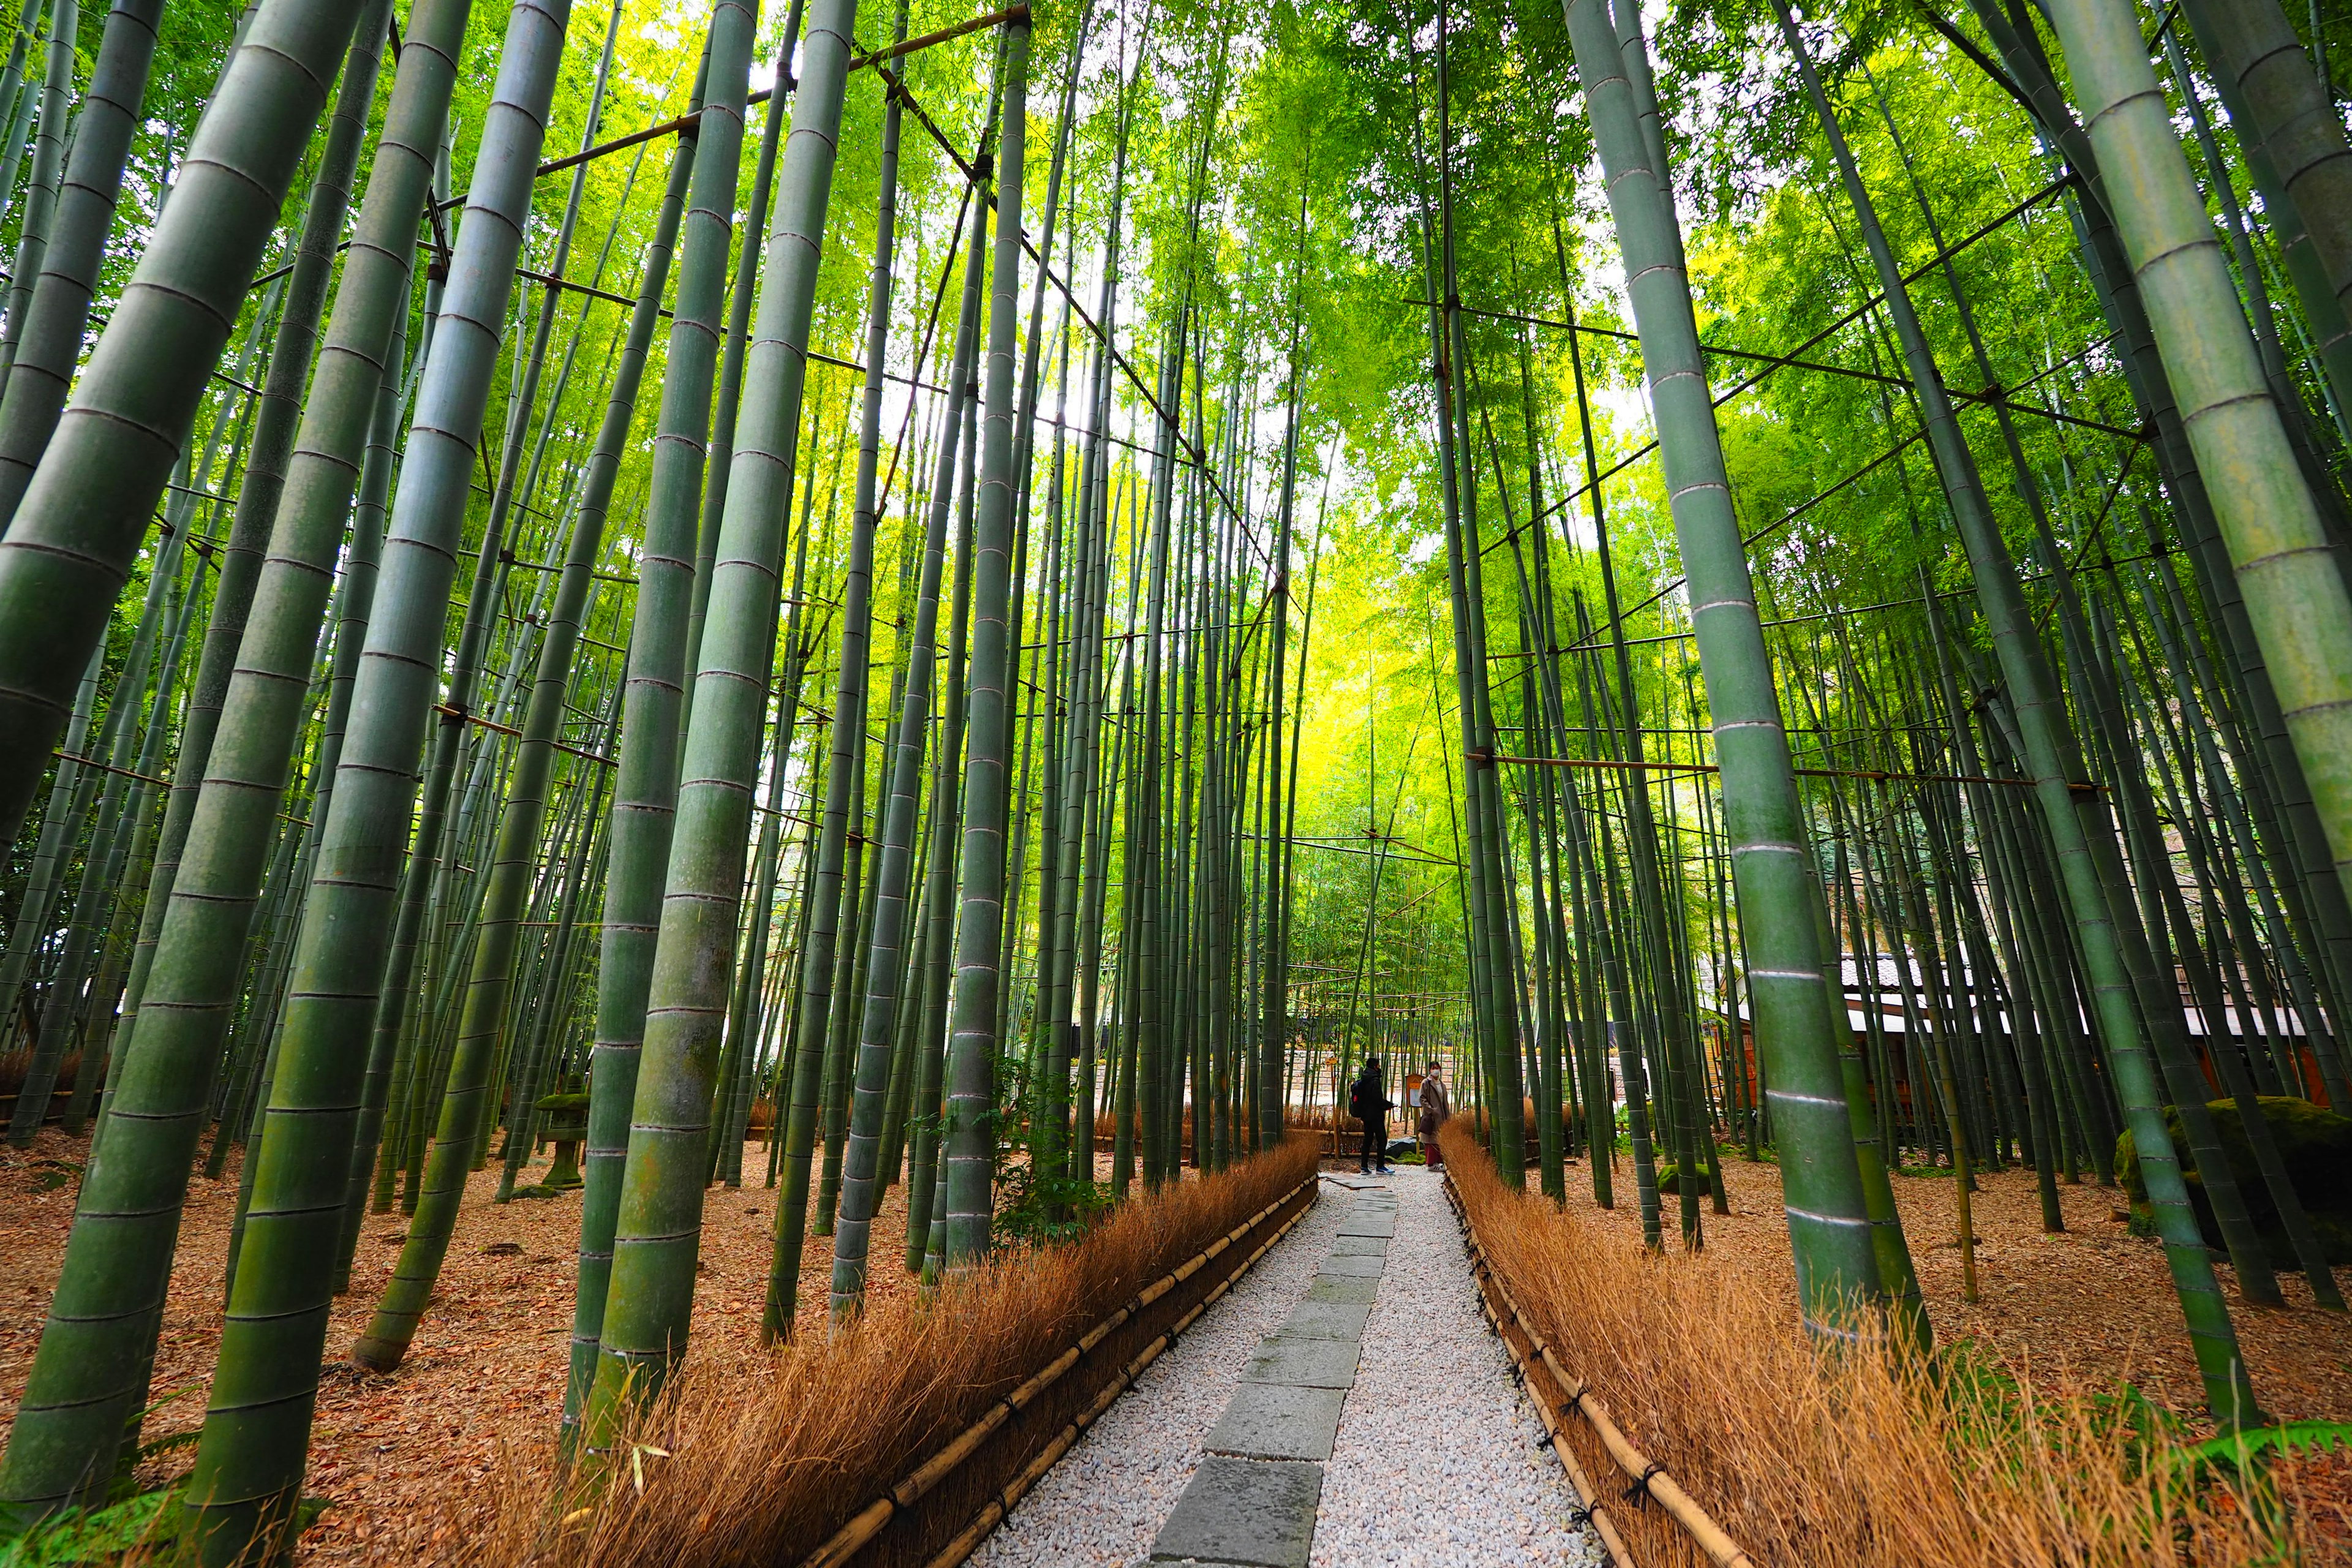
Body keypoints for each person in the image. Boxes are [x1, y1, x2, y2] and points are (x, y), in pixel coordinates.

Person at [1349, 1057, 1394, 1175]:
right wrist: (1390, 1105)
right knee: (1382, 1139)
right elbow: (1377, 1100)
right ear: (1375, 1066)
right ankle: (1380, 1167)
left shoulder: (1364, 1079)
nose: (1379, 1067)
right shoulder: (1374, 1080)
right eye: (1378, 1065)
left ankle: (1364, 1167)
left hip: (1366, 1115)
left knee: (1368, 1140)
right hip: (1376, 1116)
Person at [1417, 1059, 1451, 1167]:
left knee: (1440, 1139)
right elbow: (1422, 1098)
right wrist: (1431, 1110)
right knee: (1431, 1139)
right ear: (1430, 1070)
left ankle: (1439, 1162)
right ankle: (1431, 1163)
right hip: (1432, 1116)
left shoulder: (1442, 1084)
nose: (1435, 1070)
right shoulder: (1426, 1083)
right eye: (1433, 1068)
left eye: (1437, 1068)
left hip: (1442, 1116)